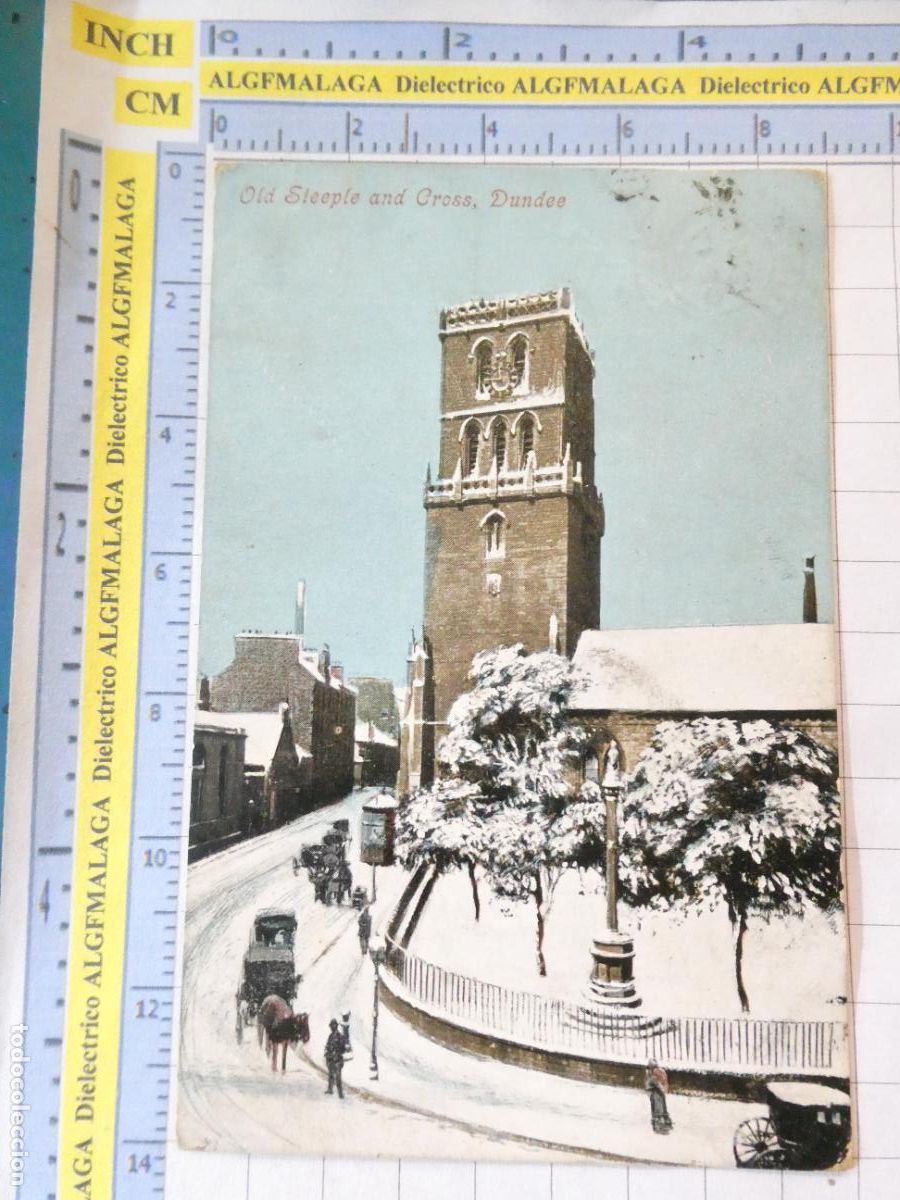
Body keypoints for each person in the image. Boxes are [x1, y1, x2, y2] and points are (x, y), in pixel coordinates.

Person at [645, 1058, 673, 1134]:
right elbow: (651, 1084)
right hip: (656, 1094)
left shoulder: (657, 1073)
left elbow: (658, 1083)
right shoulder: (651, 1073)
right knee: (659, 1109)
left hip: (657, 1093)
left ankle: (661, 1124)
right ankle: (661, 1125)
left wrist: (661, 1088)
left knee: (659, 1109)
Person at [324, 1018, 345, 1099]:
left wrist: (336, 1052)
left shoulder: (340, 1036)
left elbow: (343, 1049)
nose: (331, 1027)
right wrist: (326, 1053)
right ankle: (330, 1089)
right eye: (331, 1026)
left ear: (336, 1026)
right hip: (331, 1059)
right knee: (330, 1075)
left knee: (338, 1077)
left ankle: (340, 1094)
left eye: (333, 1025)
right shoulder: (330, 1036)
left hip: (337, 1060)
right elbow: (327, 1046)